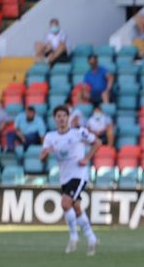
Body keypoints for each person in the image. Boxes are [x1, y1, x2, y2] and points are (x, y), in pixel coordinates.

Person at [40, 105, 101, 255]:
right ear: (55, 119)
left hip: (79, 174)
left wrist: (87, 158)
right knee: (76, 207)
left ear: (68, 118)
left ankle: (74, 237)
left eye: (64, 116)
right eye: (58, 116)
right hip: (65, 177)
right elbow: (42, 158)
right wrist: (45, 154)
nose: (61, 119)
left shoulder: (78, 132)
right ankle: (92, 238)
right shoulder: (50, 137)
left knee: (65, 203)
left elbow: (98, 142)